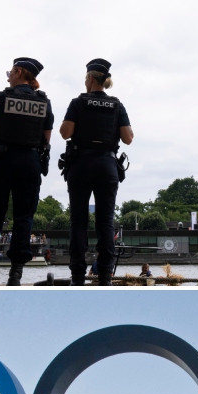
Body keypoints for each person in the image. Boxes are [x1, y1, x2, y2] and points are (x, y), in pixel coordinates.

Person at [0, 57, 54, 286]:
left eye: (10, 71)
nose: (8, 75)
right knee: (24, 218)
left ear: (18, 72)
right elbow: (46, 140)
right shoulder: (44, 102)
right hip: (30, 163)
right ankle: (15, 276)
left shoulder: (3, 97)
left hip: (2, 160)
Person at [59, 59, 133, 285]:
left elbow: (65, 133)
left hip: (81, 164)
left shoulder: (77, 103)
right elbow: (128, 138)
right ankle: (105, 277)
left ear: (90, 78)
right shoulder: (117, 105)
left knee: (78, 222)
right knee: (106, 223)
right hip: (107, 165)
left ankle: (78, 276)